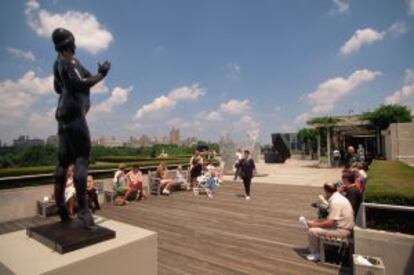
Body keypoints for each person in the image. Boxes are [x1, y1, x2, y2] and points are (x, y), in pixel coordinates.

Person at [51, 28, 110, 228]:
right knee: (81, 159)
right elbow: (79, 82)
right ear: (69, 44)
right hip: (74, 113)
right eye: (73, 42)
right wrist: (102, 74)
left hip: (63, 112)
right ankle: (84, 212)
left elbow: (58, 87)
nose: (76, 46)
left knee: (63, 161)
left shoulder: (58, 63)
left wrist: (89, 76)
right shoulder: (69, 61)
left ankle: (61, 207)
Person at [299, 182, 354, 262]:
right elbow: (331, 219)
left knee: (312, 231)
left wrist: (313, 225)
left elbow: (331, 223)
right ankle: (315, 246)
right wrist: (314, 222)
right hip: (342, 226)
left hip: (343, 230)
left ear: (326, 191)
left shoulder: (335, 202)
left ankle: (316, 254)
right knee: (314, 222)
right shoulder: (338, 197)